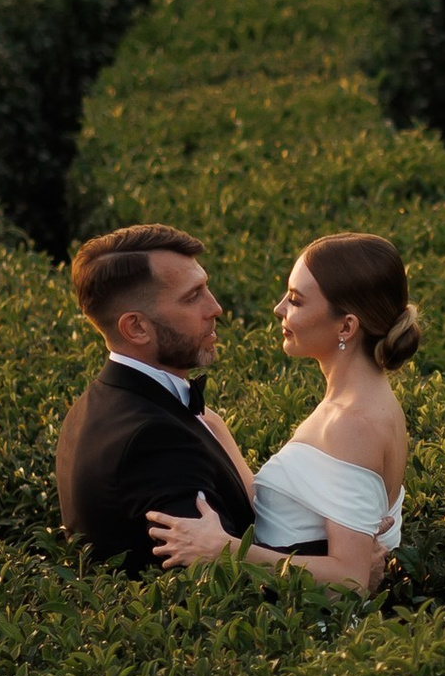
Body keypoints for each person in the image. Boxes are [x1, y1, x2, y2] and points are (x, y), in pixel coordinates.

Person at [148, 230, 420, 596]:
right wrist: (218, 430)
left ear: (347, 326)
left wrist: (222, 549)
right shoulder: (365, 400)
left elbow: (352, 578)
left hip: (316, 637)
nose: (279, 308)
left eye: (296, 300)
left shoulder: (351, 423)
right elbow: (294, 518)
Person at [54, 225, 255, 575]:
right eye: (192, 297)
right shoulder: (152, 441)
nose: (216, 308)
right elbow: (222, 587)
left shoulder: (92, 405)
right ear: (136, 328)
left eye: (206, 287)